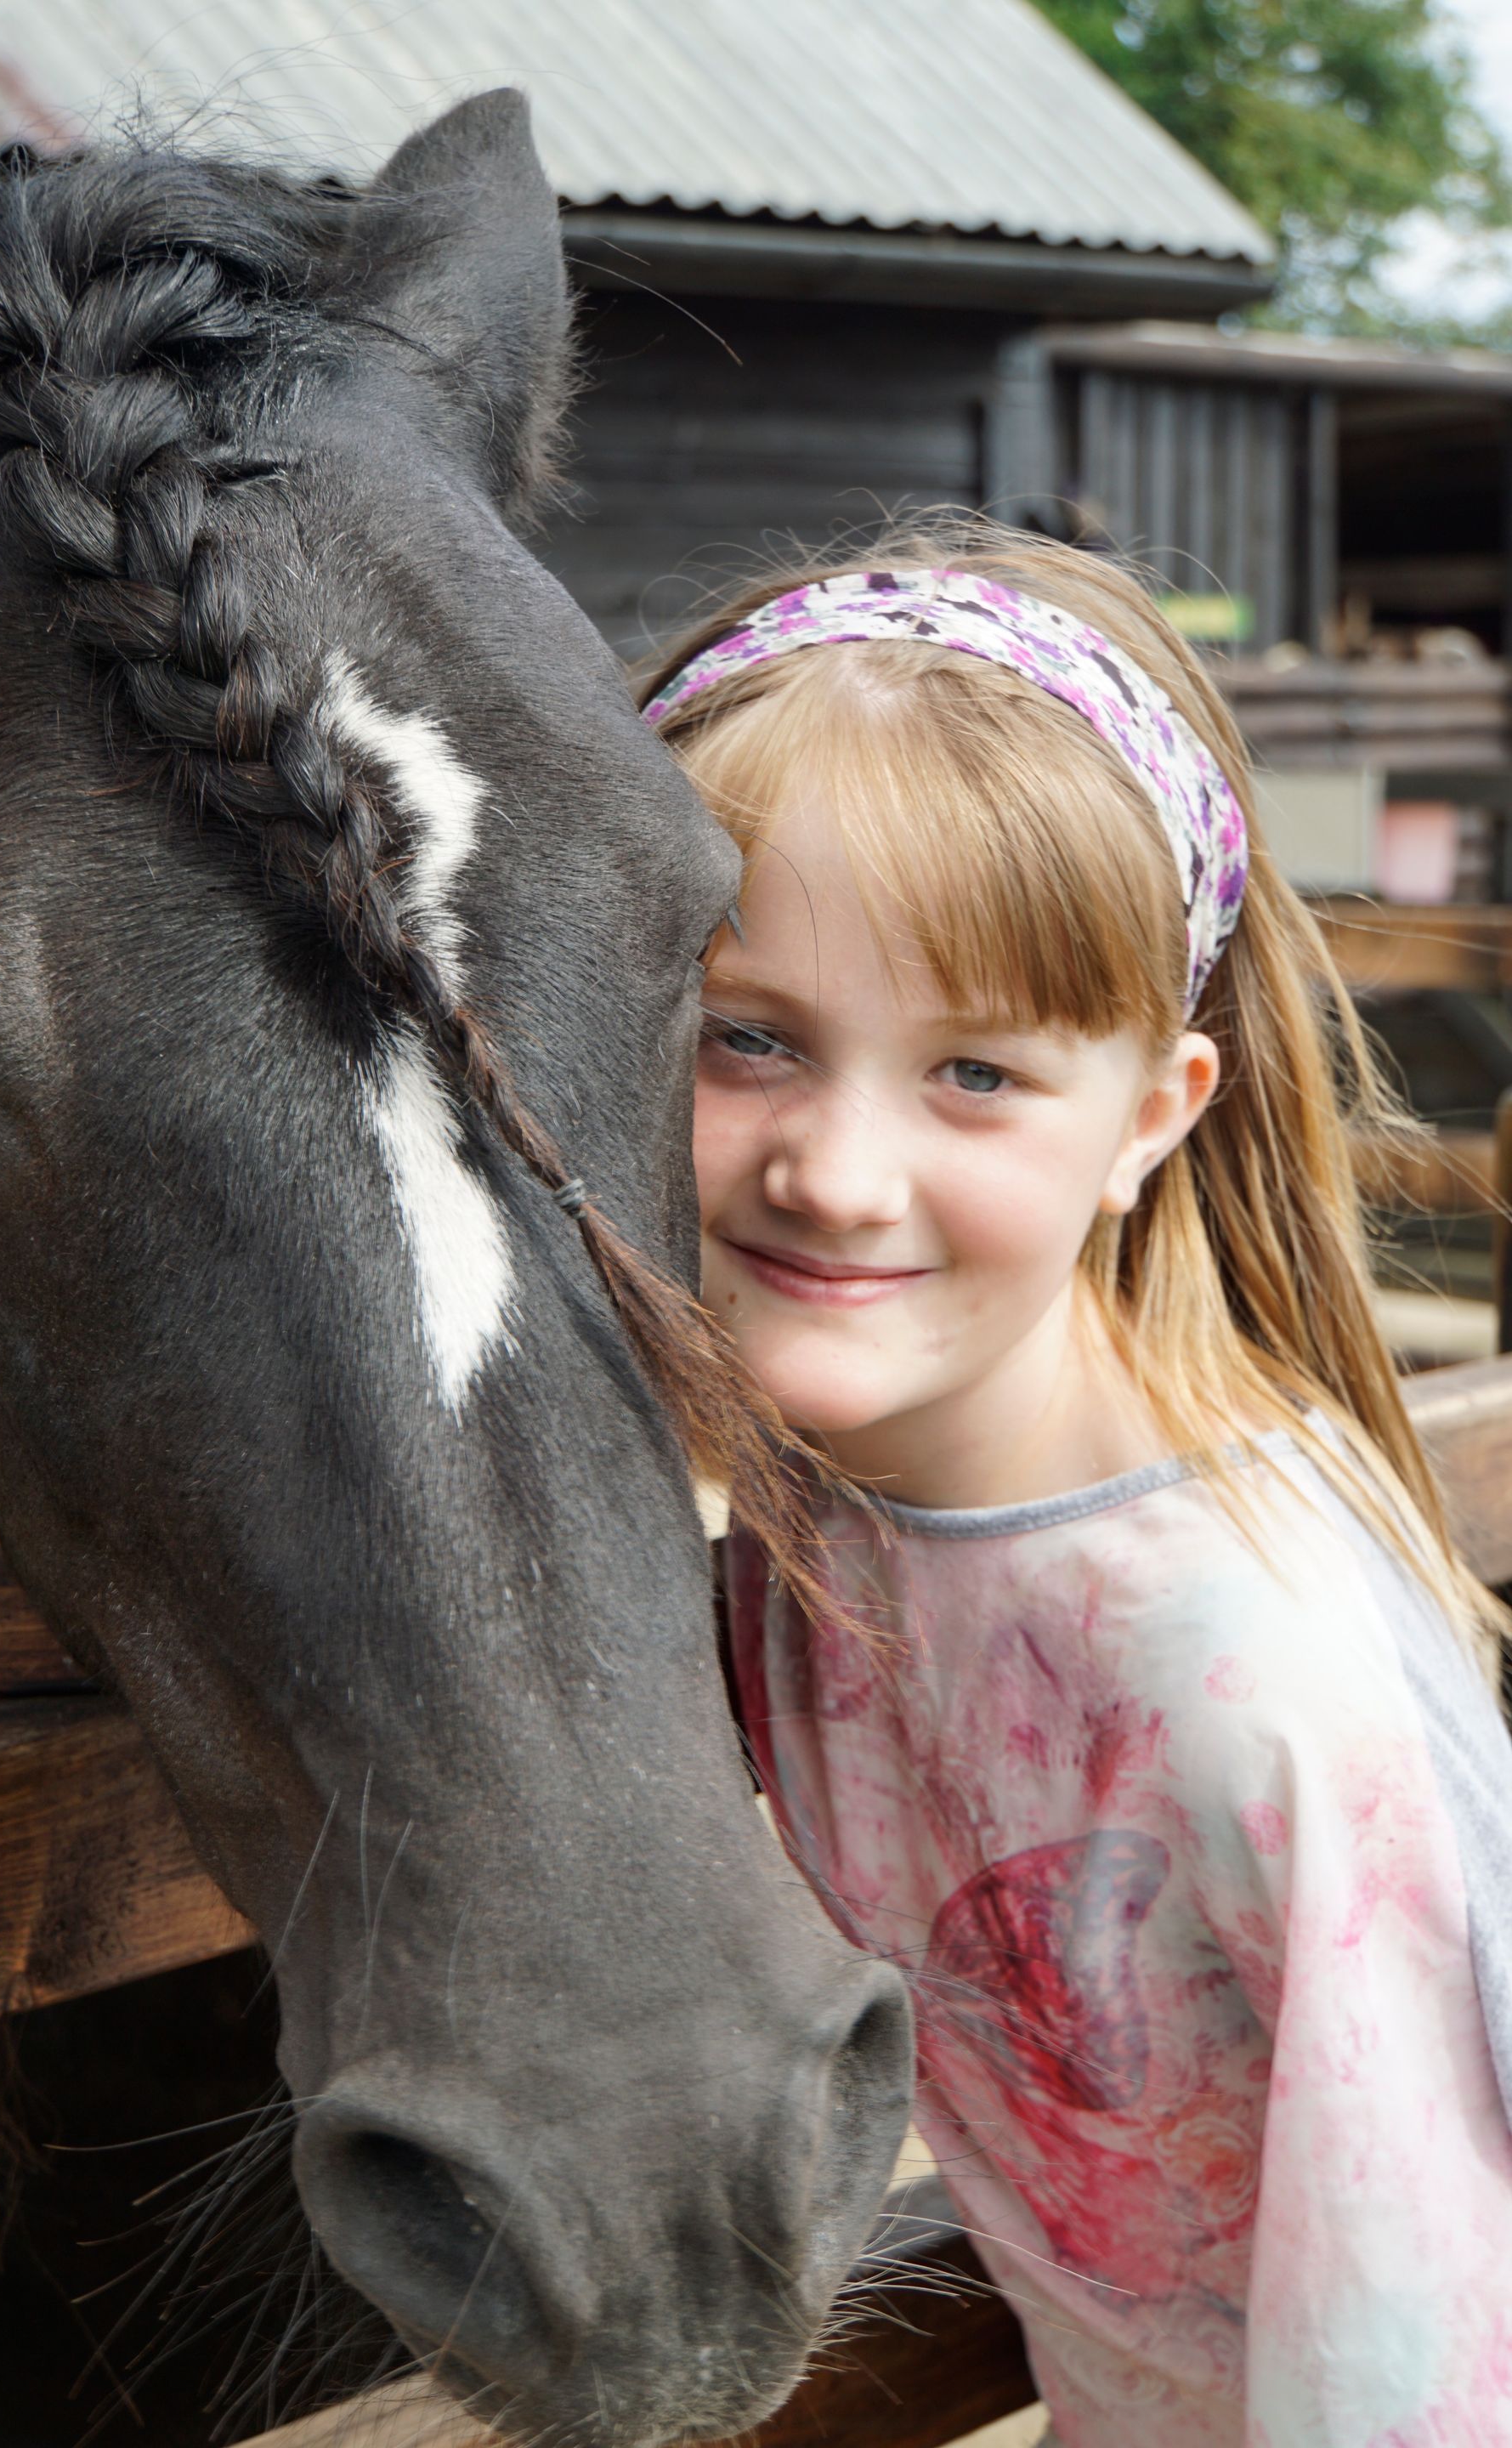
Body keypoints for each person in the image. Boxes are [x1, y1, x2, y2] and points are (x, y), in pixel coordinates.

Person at [640, 526, 1512, 2447]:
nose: (835, 1175)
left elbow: (1435, 2348)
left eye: (974, 1074)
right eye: (747, 1038)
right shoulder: (825, 1513)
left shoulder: (1254, 1679)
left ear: (1151, 1121)